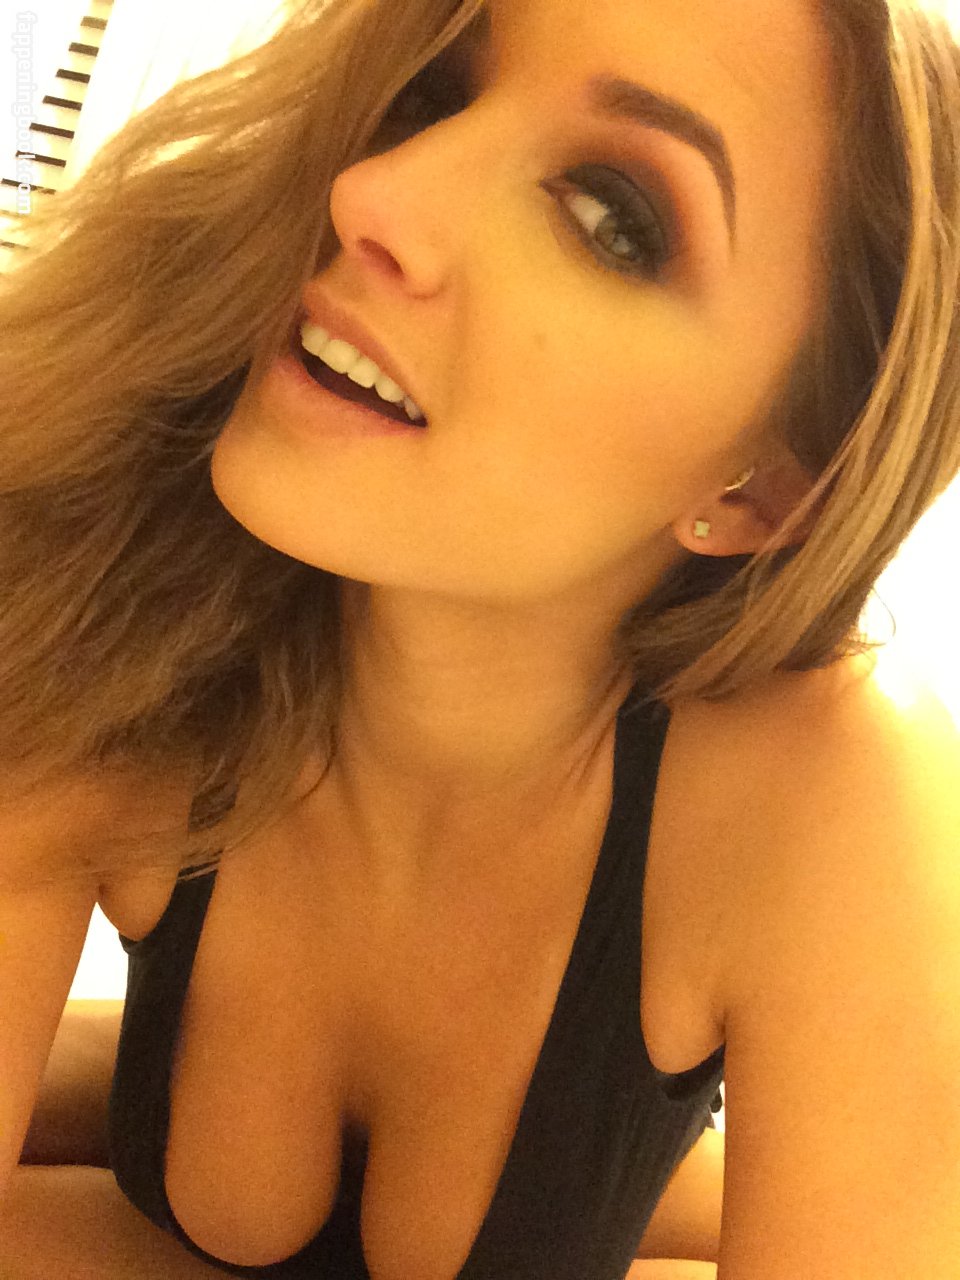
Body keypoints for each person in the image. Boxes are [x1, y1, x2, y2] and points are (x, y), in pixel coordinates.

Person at [1, 0, 959, 1277]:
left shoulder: (826, 795)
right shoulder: (112, 581)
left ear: (760, 488)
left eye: (614, 217)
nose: (374, 192)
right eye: (434, 92)